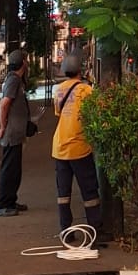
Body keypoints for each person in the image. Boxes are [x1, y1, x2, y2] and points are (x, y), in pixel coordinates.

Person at [52, 52, 101, 239]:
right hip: (79, 148)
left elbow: (59, 113)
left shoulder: (58, 90)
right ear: (81, 70)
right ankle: (95, 228)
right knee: (89, 191)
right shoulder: (86, 90)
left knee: (63, 193)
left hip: (59, 147)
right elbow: (93, 114)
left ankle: (66, 230)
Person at [0, 48, 32, 216]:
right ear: (23, 63)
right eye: (27, 60)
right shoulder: (13, 80)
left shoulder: (17, 80)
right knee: (9, 169)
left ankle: (10, 201)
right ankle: (2, 205)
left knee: (14, 169)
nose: (28, 63)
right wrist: (2, 127)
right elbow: (4, 104)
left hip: (16, 133)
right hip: (11, 133)